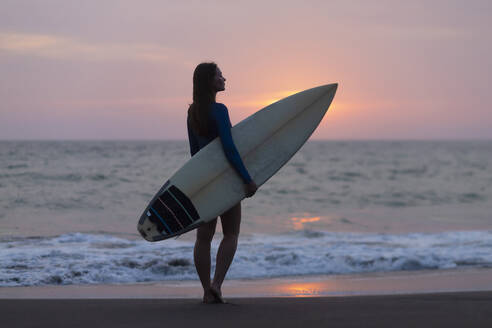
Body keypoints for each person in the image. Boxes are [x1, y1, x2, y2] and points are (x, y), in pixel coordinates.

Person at [187, 62, 258, 303]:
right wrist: (247, 180)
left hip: (205, 181)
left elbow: (195, 153)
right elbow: (229, 147)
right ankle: (217, 284)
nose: (224, 78)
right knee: (231, 234)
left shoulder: (192, 113)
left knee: (203, 237)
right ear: (209, 81)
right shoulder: (219, 110)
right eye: (219, 75)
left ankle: (207, 290)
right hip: (226, 179)